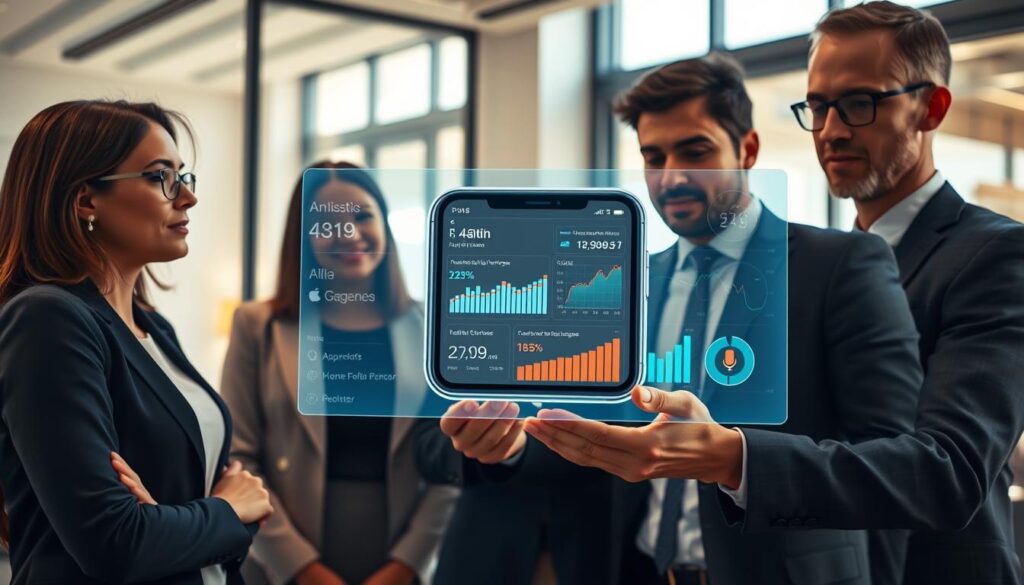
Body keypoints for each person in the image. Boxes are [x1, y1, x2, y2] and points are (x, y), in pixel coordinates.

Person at [528, 3, 1024, 585]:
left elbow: (947, 470)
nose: (832, 130)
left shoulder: (993, 255)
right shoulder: (803, 263)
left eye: (860, 103)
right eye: (817, 107)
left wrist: (730, 456)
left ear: (931, 107)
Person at [0, 99, 272, 585]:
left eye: (183, 176)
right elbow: (118, 544)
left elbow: (211, 496)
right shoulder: (47, 319)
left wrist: (181, 518)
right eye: (160, 176)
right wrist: (228, 513)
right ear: (86, 199)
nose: (186, 197)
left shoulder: (152, 327)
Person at [220, 162, 458, 585]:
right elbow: (239, 459)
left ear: (383, 222)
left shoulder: (432, 327)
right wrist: (301, 568)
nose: (348, 233)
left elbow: (449, 465)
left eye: (362, 215)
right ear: (301, 237)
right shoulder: (257, 325)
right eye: (325, 222)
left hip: (400, 558)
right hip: (282, 560)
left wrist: (406, 567)